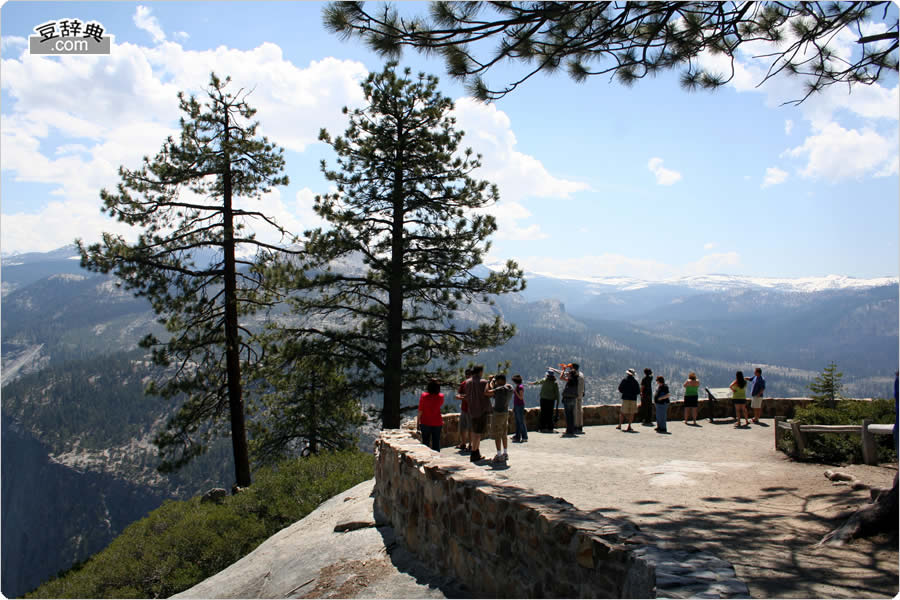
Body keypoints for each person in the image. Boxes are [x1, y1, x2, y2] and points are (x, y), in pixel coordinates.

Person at [457, 365, 493, 462]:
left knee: (474, 431)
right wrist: (490, 381)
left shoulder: (467, 383)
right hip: (481, 410)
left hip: (471, 409)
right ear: (480, 372)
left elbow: (467, 396)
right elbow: (489, 392)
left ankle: (476, 451)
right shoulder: (484, 382)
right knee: (478, 433)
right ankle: (474, 452)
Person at [489, 374, 513, 463]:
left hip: (498, 413)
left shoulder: (499, 390)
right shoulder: (510, 389)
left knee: (497, 434)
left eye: (497, 381)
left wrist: (491, 381)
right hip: (505, 412)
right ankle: (505, 453)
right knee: (504, 434)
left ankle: (499, 455)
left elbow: (488, 392)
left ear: (501, 381)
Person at [417, 379, 444, 451]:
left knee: (425, 443)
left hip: (425, 422)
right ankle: (437, 459)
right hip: (437, 422)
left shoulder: (424, 396)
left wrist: (417, 423)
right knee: (436, 442)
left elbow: (420, 410)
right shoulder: (441, 397)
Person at [456, 368, 473, 451]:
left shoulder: (474, 384)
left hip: (472, 409)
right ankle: (463, 443)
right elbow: (459, 394)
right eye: (466, 374)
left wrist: (463, 397)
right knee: (463, 427)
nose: (467, 375)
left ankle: (471, 445)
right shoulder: (463, 384)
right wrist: (462, 397)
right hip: (464, 408)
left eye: (469, 374)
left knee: (470, 428)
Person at [560, 366, 579, 435]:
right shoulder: (576, 381)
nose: (568, 374)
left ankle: (568, 431)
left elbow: (561, 377)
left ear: (571, 375)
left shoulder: (570, 380)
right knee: (571, 415)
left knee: (568, 416)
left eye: (569, 373)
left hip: (567, 399)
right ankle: (572, 430)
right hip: (573, 399)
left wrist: (563, 371)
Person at [511, 374, 528, 442]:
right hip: (516, 405)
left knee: (521, 421)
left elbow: (521, 397)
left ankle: (524, 436)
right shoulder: (517, 386)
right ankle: (517, 436)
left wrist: (515, 392)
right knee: (518, 422)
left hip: (520, 405)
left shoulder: (520, 387)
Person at [572, 363, 585, 433]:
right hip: (580, 394)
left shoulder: (575, 375)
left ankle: (575, 426)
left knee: (575, 411)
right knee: (580, 410)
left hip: (575, 394)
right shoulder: (581, 374)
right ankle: (580, 425)